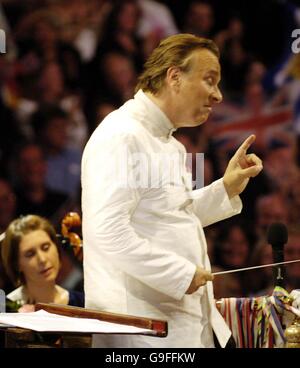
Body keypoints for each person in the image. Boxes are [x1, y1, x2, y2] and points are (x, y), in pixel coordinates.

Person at [81, 33, 263, 348]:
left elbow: (171, 218)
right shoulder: (120, 135)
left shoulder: (170, 144)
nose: (217, 95)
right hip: (142, 333)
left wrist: (226, 188)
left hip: (183, 325)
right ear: (174, 76)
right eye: (210, 80)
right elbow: (107, 231)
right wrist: (178, 273)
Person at [1, 214, 84, 312]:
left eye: (46, 247)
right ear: (17, 264)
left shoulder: (82, 302)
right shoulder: (5, 310)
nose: (42, 259)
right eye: (30, 254)